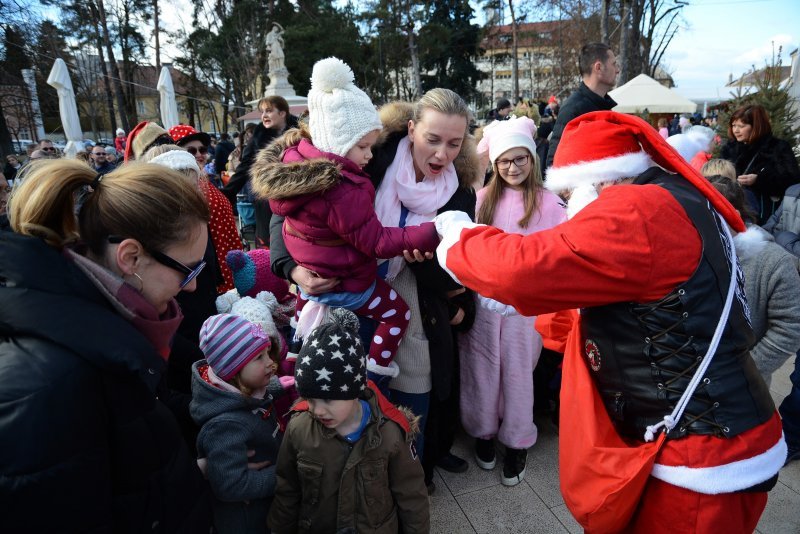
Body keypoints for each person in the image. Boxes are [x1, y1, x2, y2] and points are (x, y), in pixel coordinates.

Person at [434, 111, 785, 532]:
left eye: (568, 192)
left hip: (699, 455)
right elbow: (636, 296)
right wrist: (521, 304)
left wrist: (457, 236)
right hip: (714, 434)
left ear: (596, 181)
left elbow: (522, 268)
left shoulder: (635, 211)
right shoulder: (672, 196)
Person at [269, 87, 481, 492]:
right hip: (341, 286)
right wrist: (292, 268)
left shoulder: (460, 191)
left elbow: (455, 270)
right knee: (344, 381)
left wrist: (429, 264)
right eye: (432, 140)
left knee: (416, 379)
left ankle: (408, 470)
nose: (442, 155)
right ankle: (349, 475)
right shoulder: (369, 155)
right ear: (411, 128)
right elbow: (291, 208)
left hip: (413, 293)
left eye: (454, 144)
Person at [0, 159, 212, 531]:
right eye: (188, 269)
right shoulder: (52, 383)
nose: (192, 286)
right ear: (130, 258)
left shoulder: (113, 332)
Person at [252, 57, 439, 382]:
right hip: (348, 282)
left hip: (313, 284)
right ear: (338, 144)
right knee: (397, 314)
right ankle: (375, 373)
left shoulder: (296, 165)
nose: (369, 156)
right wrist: (426, 233)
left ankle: (294, 354)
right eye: (364, 147)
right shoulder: (343, 188)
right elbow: (376, 241)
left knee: (307, 317)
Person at [465, 116, 566, 486]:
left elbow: (559, 256)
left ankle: (518, 440)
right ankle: (483, 431)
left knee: (519, 373)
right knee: (482, 368)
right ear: (494, 163)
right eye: (505, 160)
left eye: (520, 158)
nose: (512, 167)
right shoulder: (479, 201)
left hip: (527, 309)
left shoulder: (551, 203)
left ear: (532, 159)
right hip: (484, 305)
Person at [268, 308, 429, 533]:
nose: (317, 410)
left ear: (354, 390)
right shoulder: (299, 429)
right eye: (309, 399)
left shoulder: (390, 433)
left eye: (327, 399)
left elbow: (411, 494)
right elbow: (288, 488)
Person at [191, 313, 291, 534]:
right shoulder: (225, 426)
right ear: (233, 370)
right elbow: (230, 485)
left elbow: (245, 399)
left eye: (267, 354)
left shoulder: (237, 390)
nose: (271, 363)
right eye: (259, 358)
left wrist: (275, 387)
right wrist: (284, 475)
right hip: (249, 519)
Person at [705, 175, 800, 388]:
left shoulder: (774, 261)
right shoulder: (687, 251)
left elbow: (791, 326)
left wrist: (746, 370)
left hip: (743, 389)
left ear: (731, 215)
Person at [170, 124, 242, 294]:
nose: (199, 155)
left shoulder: (203, 181)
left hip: (228, 264)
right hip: (212, 274)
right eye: (191, 151)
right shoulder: (182, 189)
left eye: (202, 149)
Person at [222, 96, 299, 248]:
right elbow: (245, 167)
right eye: (262, 112)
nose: (264, 116)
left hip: (296, 198)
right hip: (267, 200)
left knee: (295, 243)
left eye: (269, 111)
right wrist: (227, 193)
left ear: (283, 113)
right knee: (269, 243)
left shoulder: (300, 133)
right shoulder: (258, 136)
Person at [763, 183, 800, 464]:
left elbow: (779, 235)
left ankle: (793, 436)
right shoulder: (793, 190)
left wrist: (784, 241)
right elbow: (768, 228)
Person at [720, 103, 800, 224]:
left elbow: (792, 180)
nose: (736, 130)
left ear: (756, 126)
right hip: (733, 211)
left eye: (741, 126)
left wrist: (759, 180)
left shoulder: (777, 148)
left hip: (765, 215)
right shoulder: (729, 148)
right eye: (733, 125)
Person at [544, 42, 619, 170]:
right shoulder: (573, 109)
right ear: (598, 67)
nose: (618, 70)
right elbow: (553, 164)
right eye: (614, 64)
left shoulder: (603, 106)